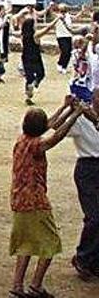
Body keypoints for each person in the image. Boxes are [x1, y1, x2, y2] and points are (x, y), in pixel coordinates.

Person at [8, 100, 82, 298]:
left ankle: (17, 285)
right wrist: (76, 114)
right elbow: (56, 135)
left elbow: (48, 125)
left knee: (25, 243)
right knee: (49, 243)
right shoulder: (36, 145)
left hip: (18, 200)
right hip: (35, 201)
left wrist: (66, 108)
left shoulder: (21, 140)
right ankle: (36, 284)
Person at [67, 89, 99, 279]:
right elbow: (56, 128)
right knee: (94, 216)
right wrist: (71, 112)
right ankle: (83, 256)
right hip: (87, 166)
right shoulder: (81, 119)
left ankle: (93, 258)